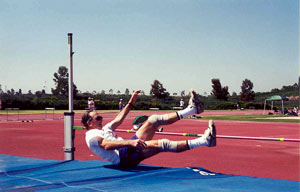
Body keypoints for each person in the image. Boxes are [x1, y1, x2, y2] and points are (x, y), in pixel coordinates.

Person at [82, 89, 216, 167]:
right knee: (163, 144)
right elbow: (106, 145)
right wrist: (130, 142)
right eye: (98, 118)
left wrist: (130, 103)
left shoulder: (102, 129)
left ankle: (192, 110)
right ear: (89, 122)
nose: (101, 119)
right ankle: (205, 141)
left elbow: (119, 119)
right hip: (124, 157)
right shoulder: (91, 136)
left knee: (153, 120)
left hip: (127, 147)